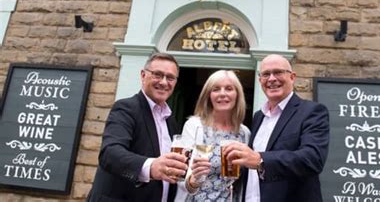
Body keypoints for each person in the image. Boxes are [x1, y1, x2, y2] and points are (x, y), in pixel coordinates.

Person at [87, 53, 210, 202]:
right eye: (158, 75)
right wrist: (151, 167)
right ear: (143, 75)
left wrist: (192, 176)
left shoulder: (171, 121)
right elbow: (110, 154)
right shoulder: (126, 108)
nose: (164, 82)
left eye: (170, 78)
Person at [223, 54, 330, 202]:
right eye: (266, 74)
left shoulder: (312, 111)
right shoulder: (258, 117)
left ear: (292, 77)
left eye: (278, 72)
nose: (272, 79)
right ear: (260, 80)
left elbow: (312, 159)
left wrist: (260, 160)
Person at [174, 70, 251, 202]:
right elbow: (180, 174)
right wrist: (193, 181)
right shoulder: (194, 126)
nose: (222, 94)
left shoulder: (244, 133)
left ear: (237, 95)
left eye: (229, 88)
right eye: (216, 89)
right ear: (208, 95)